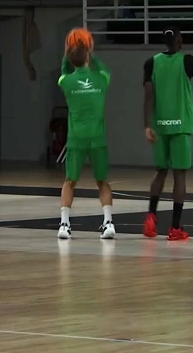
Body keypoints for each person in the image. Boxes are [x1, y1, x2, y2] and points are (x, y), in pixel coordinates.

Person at [142, 26, 193, 240]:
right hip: (180, 125)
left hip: (159, 126)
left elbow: (148, 97)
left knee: (160, 171)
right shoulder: (188, 61)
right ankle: (175, 227)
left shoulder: (151, 62)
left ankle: (150, 218)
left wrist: (147, 125)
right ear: (180, 41)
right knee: (179, 175)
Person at [57, 43, 115, 240]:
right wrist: (92, 55)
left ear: (71, 61)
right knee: (102, 182)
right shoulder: (101, 79)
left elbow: (63, 71)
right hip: (97, 138)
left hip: (76, 139)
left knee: (69, 181)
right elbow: (105, 70)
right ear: (88, 58)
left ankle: (65, 225)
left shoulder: (67, 81)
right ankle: (108, 223)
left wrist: (67, 55)